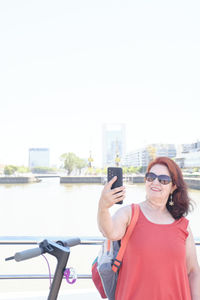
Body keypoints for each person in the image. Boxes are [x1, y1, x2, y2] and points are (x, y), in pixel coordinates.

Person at [98, 157, 200, 300]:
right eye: (151, 177)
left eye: (163, 179)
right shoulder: (130, 213)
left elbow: (193, 271)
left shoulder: (183, 225)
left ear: (173, 186)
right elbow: (109, 231)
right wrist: (103, 207)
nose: (155, 182)